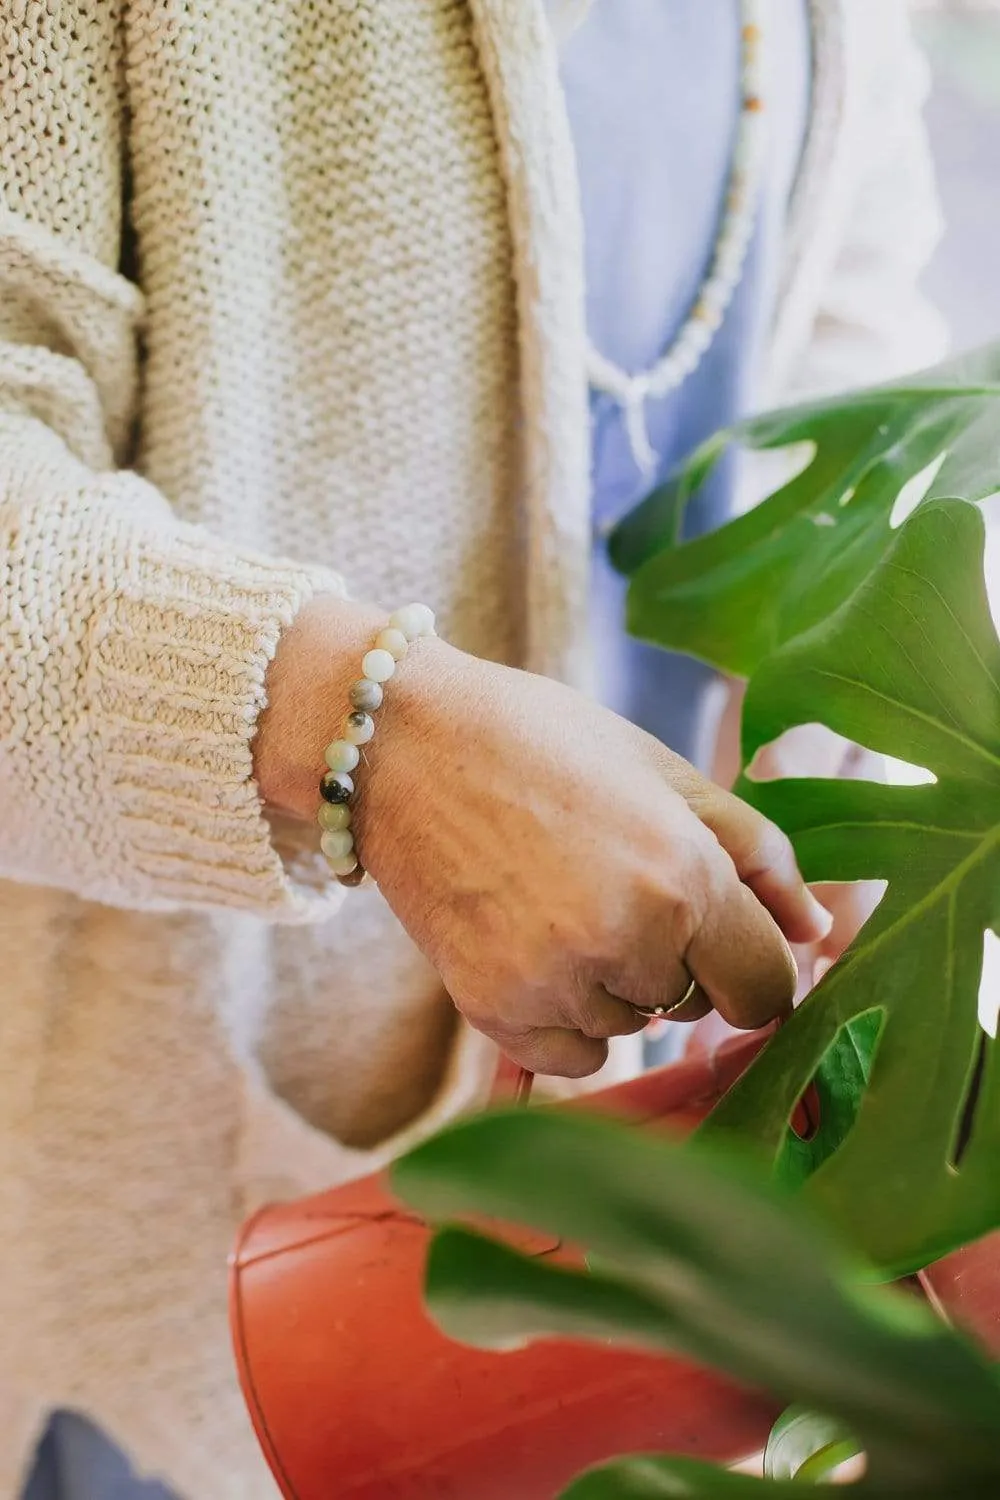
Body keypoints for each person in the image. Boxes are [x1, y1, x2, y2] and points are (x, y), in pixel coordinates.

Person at [0, 0, 945, 1495]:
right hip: (188, 1185)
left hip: (686, 1137)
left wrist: (858, 740)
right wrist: (369, 738)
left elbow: (852, 326)